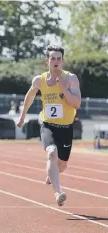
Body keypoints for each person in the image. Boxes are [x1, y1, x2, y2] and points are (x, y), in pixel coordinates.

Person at [17, 45, 81, 206]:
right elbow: (29, 96)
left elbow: (77, 103)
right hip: (48, 125)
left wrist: (64, 88)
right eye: (53, 58)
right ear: (47, 61)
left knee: (62, 165)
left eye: (59, 58)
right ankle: (58, 192)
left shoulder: (71, 78)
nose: (56, 62)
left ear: (63, 61)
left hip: (66, 128)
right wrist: (22, 115)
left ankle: (52, 174)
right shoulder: (40, 80)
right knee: (51, 153)